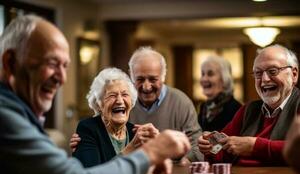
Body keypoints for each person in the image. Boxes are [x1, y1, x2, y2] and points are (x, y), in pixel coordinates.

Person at [0, 15, 191, 174]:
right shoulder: (6, 116)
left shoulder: (21, 114)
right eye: (51, 63)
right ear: (11, 62)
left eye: (64, 66)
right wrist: (151, 153)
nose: (62, 78)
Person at [71, 46, 204, 163]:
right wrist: (86, 144)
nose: (146, 87)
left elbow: (196, 145)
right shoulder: (90, 128)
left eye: (124, 95)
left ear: (163, 77)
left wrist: (160, 145)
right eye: (140, 79)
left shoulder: (131, 130)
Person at [198, 44, 300, 166]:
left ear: (294, 74)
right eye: (258, 73)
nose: (265, 79)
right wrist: (209, 146)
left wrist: (254, 146)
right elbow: (221, 152)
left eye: (273, 71)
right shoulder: (248, 109)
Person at [73, 67, 159, 167]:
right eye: (112, 95)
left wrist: (157, 145)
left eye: (125, 94)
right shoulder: (88, 129)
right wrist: (131, 148)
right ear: (99, 104)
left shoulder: (135, 132)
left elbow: (153, 170)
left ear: (131, 103)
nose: (119, 101)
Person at [198, 55, 241, 131]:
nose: (204, 79)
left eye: (210, 74)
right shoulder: (203, 107)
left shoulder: (236, 109)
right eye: (202, 74)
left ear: (224, 79)